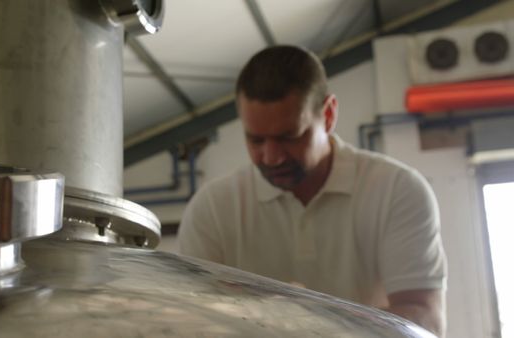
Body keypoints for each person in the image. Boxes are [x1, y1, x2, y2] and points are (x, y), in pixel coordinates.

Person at [177, 45, 447, 337]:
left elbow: (425, 319)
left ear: (329, 115)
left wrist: (307, 322)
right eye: (256, 140)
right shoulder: (213, 208)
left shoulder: (396, 190)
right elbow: (192, 322)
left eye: (289, 137)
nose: (271, 157)